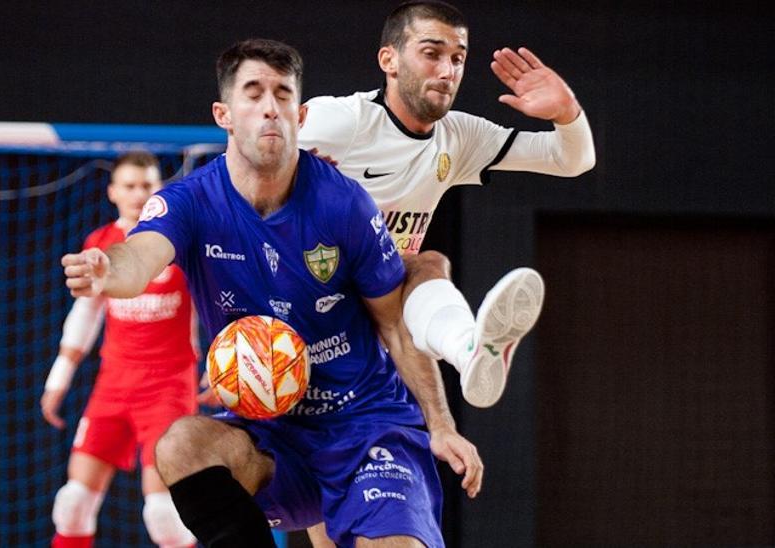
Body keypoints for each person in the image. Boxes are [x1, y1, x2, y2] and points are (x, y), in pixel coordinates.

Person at [63, 39, 481, 548]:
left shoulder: (343, 203)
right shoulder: (191, 200)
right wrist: (109, 270)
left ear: (300, 115)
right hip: (273, 437)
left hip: (364, 425)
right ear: (224, 114)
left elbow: (394, 322)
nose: (269, 108)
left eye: (283, 95)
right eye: (254, 93)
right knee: (180, 445)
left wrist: (441, 423)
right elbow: (139, 257)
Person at [298, 0, 596, 409]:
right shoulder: (340, 119)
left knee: (425, 263)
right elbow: (239, 168)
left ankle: (471, 351)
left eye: (457, 58)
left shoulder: (459, 137)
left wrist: (567, 113)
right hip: (299, 301)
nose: (447, 71)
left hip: (374, 320)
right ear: (390, 59)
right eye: (431, 53)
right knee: (418, 263)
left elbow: (572, 160)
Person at [42, 151, 199, 548]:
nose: (138, 194)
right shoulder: (101, 244)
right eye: (129, 186)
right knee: (72, 504)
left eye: (146, 185)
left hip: (168, 388)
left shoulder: (179, 243)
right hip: (114, 384)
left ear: (159, 189)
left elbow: (211, 310)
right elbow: (86, 312)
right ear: (113, 192)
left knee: (164, 515)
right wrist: (58, 378)